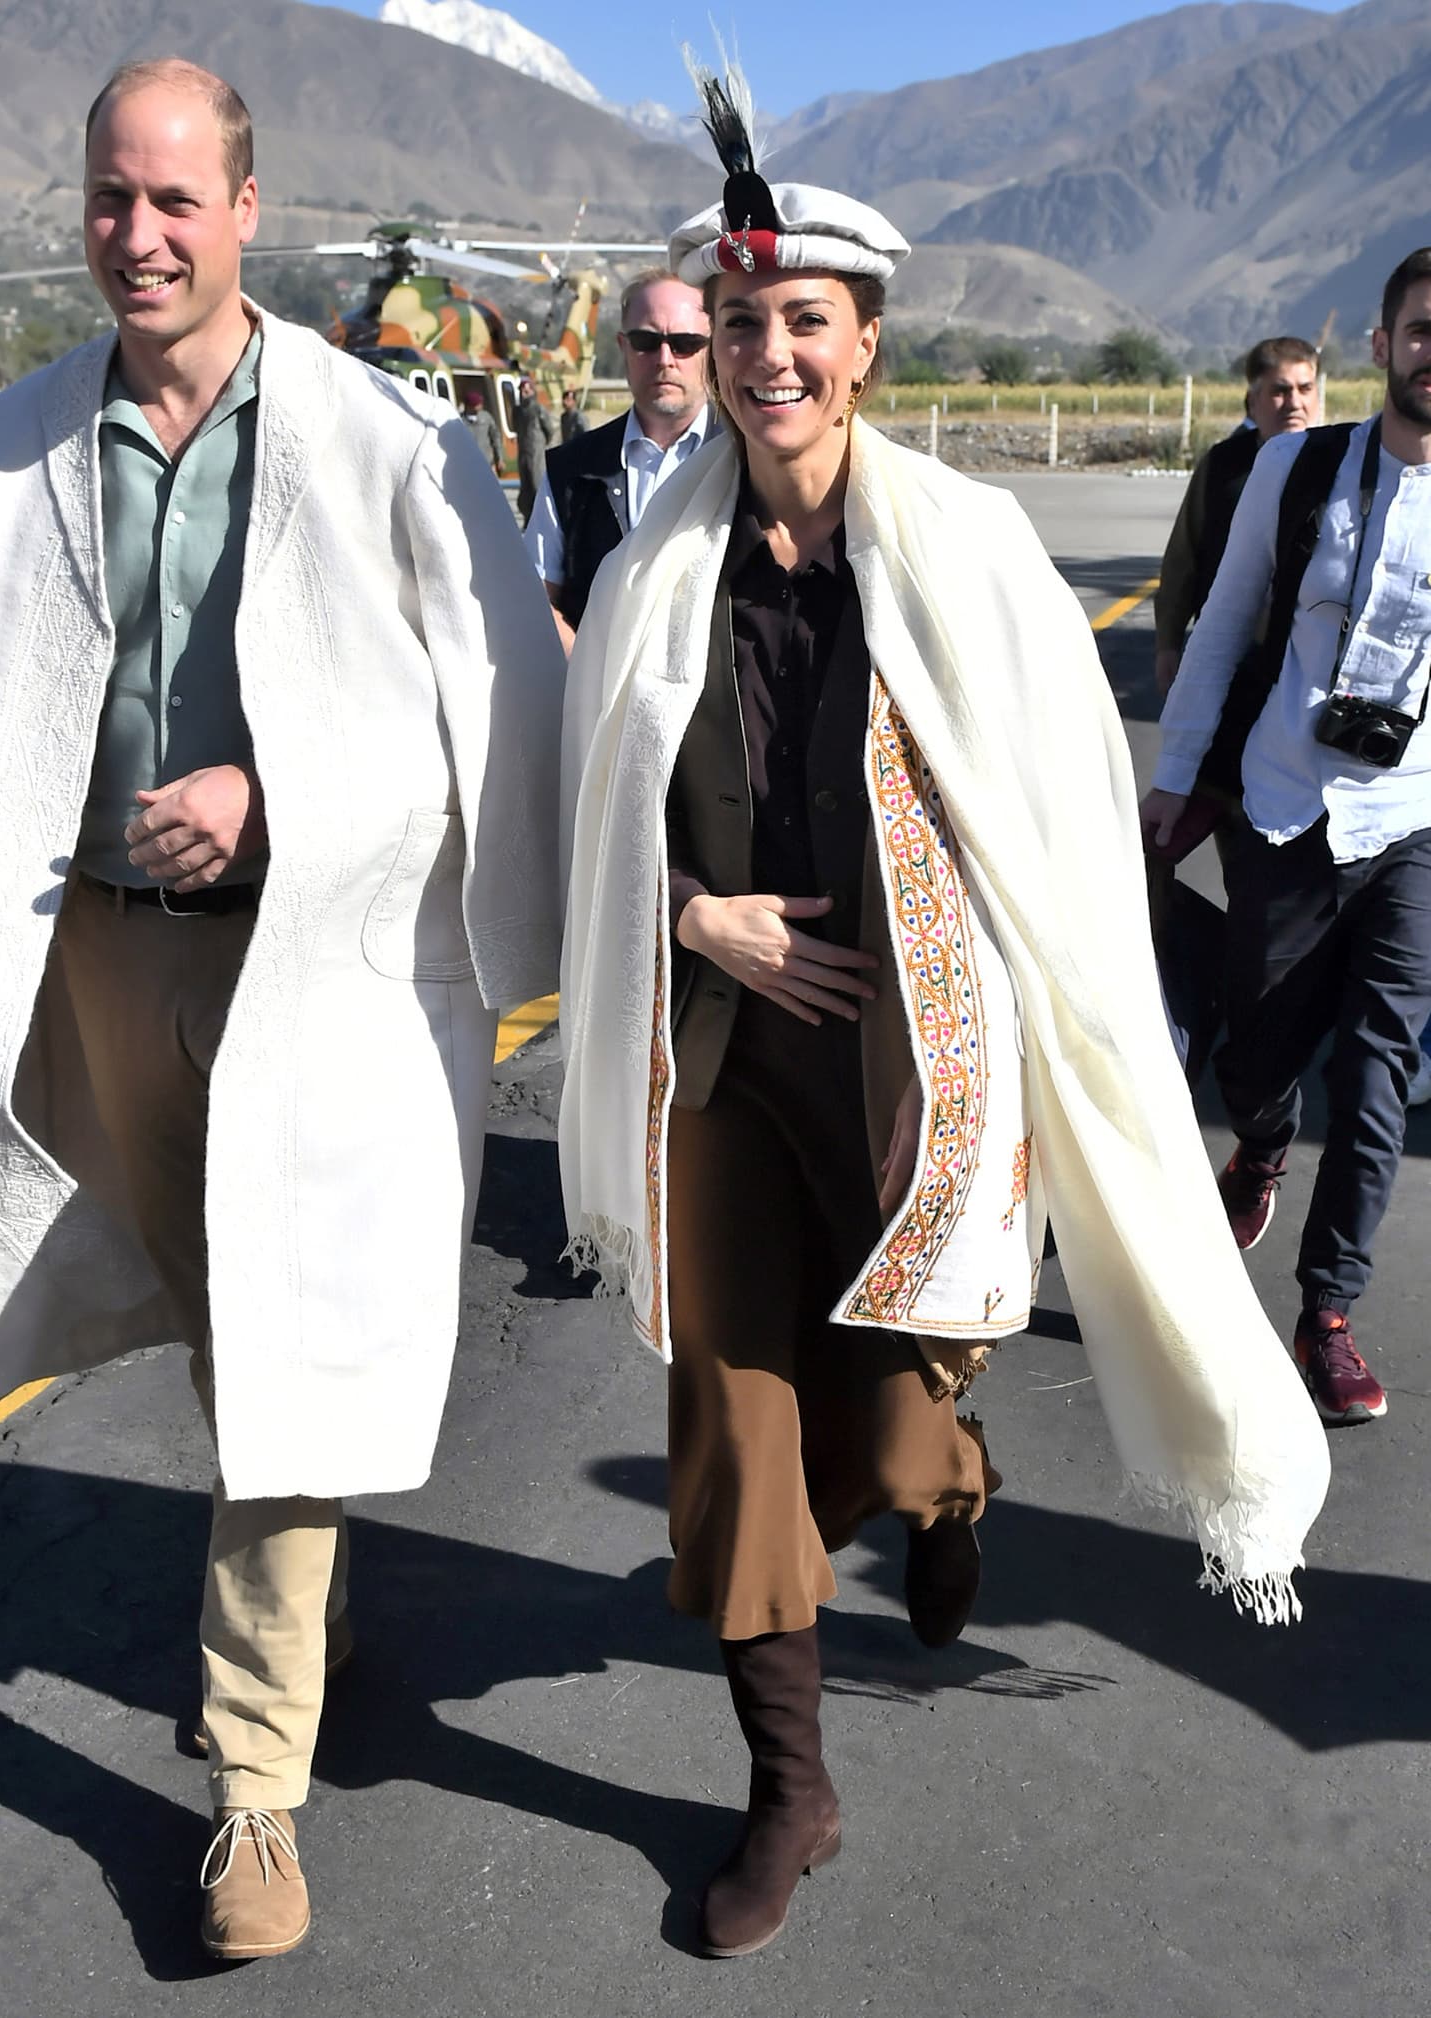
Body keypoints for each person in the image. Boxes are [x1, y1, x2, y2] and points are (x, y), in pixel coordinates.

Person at [559, 62, 1327, 1961]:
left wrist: (1001, 1062)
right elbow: (582, 835)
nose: (764, 357)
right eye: (737, 325)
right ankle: (789, 1789)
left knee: (890, 1448)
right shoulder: (661, 568)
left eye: (800, 323)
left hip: (920, 1070)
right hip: (723, 1068)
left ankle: (955, 1479)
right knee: (740, 1436)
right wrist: (692, 915)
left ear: (867, 343)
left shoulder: (972, 553)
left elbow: (1054, 838)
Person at [0, 57, 561, 1963]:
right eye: (110, 198)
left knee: (276, 1342)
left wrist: (279, 799)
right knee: (223, 1325)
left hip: (308, 958)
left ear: (252, 207)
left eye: (177, 199)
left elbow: (489, 716)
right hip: (96, 961)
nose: (141, 236)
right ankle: (306, 1585)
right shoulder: (5, 446)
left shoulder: (389, 438)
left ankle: (255, 1790)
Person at [1142, 248, 1431, 1428]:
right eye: (1422, 328)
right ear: (1382, 345)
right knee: (1258, 1059)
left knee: (1381, 1074)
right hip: (1284, 805)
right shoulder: (1297, 466)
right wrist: (1174, 778)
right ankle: (1260, 1140)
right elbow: (1217, 633)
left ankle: (1327, 1314)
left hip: (1413, 818)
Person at [525, 267, 715, 651]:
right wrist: (588, 676)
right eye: (646, 341)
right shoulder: (571, 469)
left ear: (711, 350)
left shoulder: (750, 460)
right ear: (623, 346)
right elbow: (536, 597)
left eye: (684, 343)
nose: (665, 359)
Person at [1153, 336, 1323, 697]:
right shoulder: (1221, 467)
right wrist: (1168, 642)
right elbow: (1183, 557)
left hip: (1309, 669)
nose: (1295, 402)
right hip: (1229, 661)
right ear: (1252, 400)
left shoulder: (1345, 466)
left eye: (1305, 388)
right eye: (1280, 390)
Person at [511, 371, 557, 526]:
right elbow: (515, 428)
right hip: (523, 452)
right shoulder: (517, 411)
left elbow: (549, 431)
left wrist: (541, 445)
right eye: (521, 389)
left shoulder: (538, 409)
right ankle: (528, 519)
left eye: (527, 388)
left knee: (538, 485)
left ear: (532, 390)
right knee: (525, 489)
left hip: (536, 452)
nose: (524, 392)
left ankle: (543, 521)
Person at [459, 380, 504, 475]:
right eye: (478, 404)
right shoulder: (460, 422)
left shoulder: (486, 418)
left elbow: (495, 438)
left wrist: (499, 458)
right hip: (468, 465)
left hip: (487, 463)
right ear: (470, 406)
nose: (481, 405)